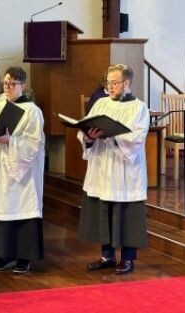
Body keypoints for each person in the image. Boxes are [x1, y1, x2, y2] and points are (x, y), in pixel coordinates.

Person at [77, 64, 150, 274]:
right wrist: (88, 137)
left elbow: (136, 139)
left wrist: (111, 135)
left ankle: (128, 258)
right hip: (102, 165)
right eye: (107, 82)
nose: (109, 87)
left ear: (126, 83)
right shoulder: (100, 103)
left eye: (114, 83)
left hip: (125, 170)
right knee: (103, 210)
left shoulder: (139, 108)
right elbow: (86, 130)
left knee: (126, 214)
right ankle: (106, 256)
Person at [0, 66, 45, 274]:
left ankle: (24, 257)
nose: (7, 87)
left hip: (21, 170)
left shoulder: (32, 111)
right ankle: (4, 255)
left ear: (23, 85)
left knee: (21, 208)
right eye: (5, 83)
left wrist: (11, 141)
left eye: (12, 84)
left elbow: (34, 143)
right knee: (0, 208)